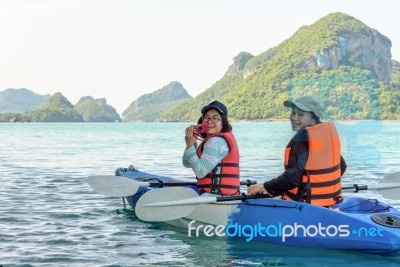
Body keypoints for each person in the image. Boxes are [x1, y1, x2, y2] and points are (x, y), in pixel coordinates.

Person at [247, 95, 347, 207]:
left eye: (301, 114)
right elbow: (342, 167)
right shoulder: (323, 139)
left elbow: (291, 178)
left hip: (304, 207)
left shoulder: (302, 140)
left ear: (314, 119)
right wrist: (317, 188)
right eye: (293, 113)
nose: (294, 118)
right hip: (331, 204)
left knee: (252, 190)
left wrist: (264, 187)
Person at [182, 100, 240, 195]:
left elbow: (200, 172)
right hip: (226, 195)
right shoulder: (215, 139)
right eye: (206, 117)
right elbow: (187, 163)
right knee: (176, 185)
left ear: (223, 122)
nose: (209, 121)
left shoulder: (215, 142)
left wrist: (190, 146)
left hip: (214, 196)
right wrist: (192, 143)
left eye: (215, 118)